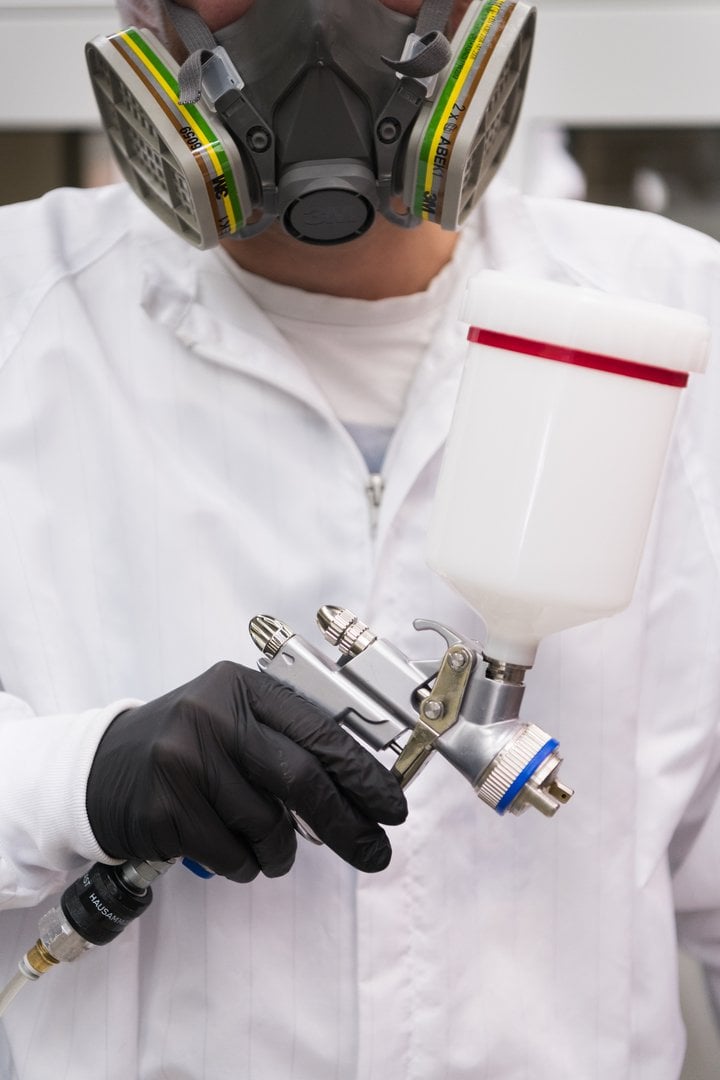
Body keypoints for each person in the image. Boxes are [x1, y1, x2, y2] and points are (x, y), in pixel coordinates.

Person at [0, 1, 719, 1077]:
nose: (320, 25)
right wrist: (76, 776)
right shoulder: (22, 318)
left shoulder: (675, 327)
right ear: (142, 12)